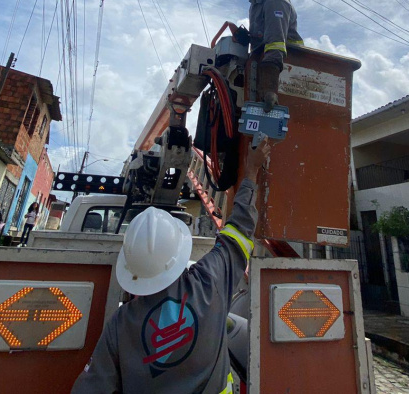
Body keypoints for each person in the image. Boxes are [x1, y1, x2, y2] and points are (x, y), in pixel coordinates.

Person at [72, 139, 272, 394]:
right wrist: (251, 172)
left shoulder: (120, 327)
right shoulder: (208, 284)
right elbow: (239, 232)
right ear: (180, 254)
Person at [240, 0, 302, 111]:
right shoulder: (256, 3)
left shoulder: (275, 1)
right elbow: (262, 40)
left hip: (286, 70)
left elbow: (275, 45)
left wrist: (269, 87)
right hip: (263, 65)